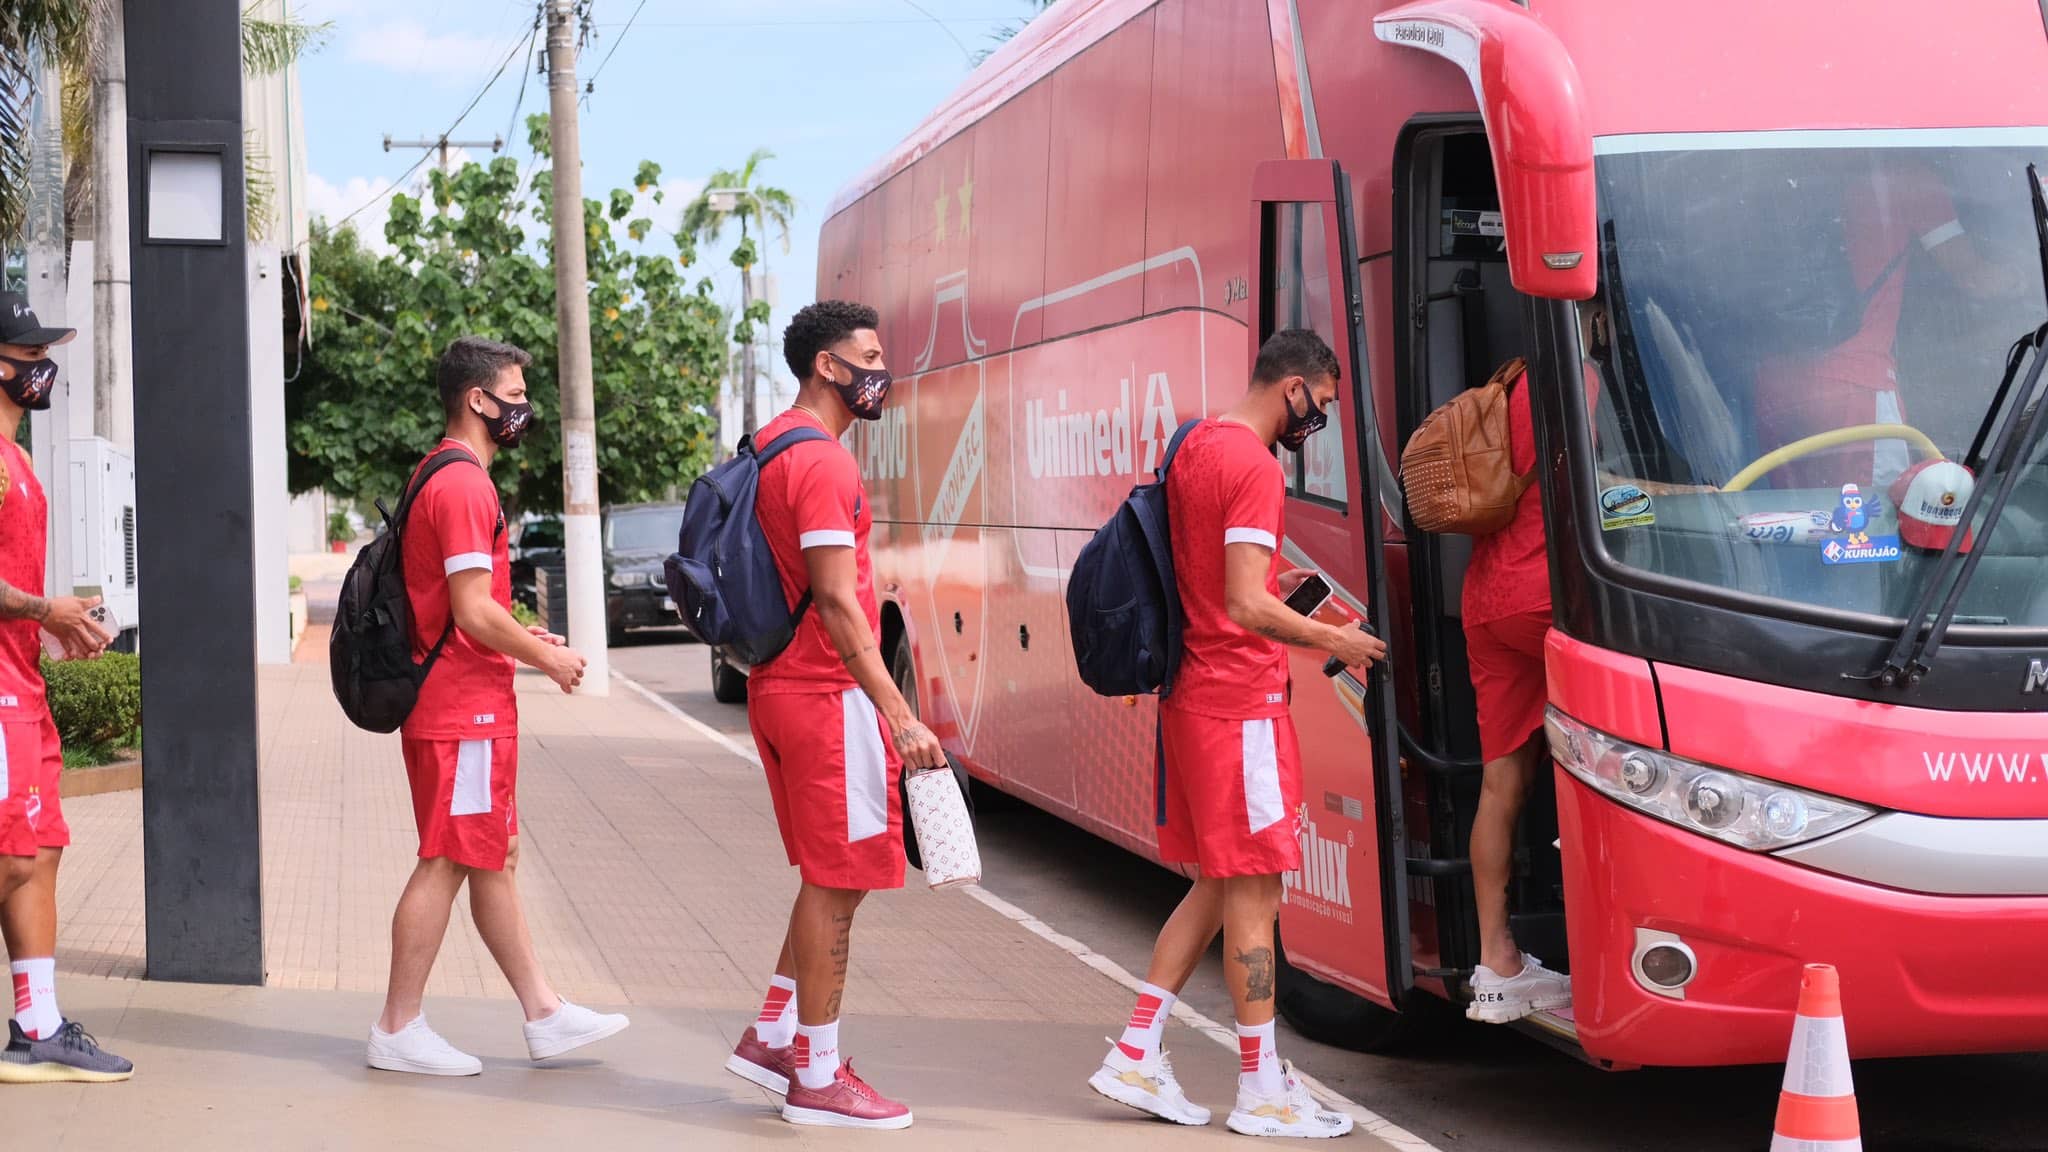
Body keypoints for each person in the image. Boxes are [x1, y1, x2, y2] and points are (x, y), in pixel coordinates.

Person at [1088, 328, 1384, 1139]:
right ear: (1292, 386)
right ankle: (1260, 1089)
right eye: (1318, 404)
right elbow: (1247, 606)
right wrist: (1339, 640)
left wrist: (1282, 594)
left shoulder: (1197, 445)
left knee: (1219, 884)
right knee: (1256, 892)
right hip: (1242, 706)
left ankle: (1139, 1048)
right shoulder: (1254, 466)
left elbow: (1216, 581)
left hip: (1193, 698)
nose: (1315, 420)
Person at [367, 336, 628, 1076]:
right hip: (461, 711)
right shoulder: (463, 485)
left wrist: (521, 634)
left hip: (462, 702)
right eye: (513, 397)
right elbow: (472, 610)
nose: (524, 410)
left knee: (491, 857)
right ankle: (396, 1027)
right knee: (449, 857)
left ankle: (543, 1012)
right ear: (477, 400)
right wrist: (547, 656)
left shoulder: (444, 475)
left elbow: (468, 608)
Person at [722, 300, 943, 1131]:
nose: (881, 371)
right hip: (825, 694)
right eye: (869, 355)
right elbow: (839, 603)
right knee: (842, 882)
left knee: (827, 876)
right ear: (827, 365)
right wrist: (898, 712)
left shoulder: (773, 442)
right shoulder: (821, 463)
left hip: (782, 686)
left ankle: (774, 1031)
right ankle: (816, 1074)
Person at [0, 292, 133, 1083]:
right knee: (15, 854)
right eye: (30, 356)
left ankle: (37, 1024)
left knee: (39, 848)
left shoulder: (17, 458)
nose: (44, 370)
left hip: (21, 678)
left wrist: (55, 621)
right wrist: (42, 609)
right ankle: (35, 1025)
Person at [1753, 157, 2021, 491]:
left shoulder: (1778, 170)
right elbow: (1975, 278)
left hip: (1775, 380)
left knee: (1792, 517)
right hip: (1855, 386)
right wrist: (2021, 279)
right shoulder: (1910, 179)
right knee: (1872, 522)